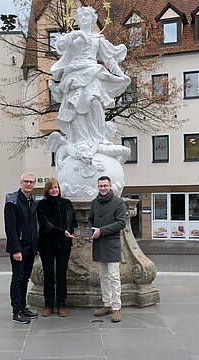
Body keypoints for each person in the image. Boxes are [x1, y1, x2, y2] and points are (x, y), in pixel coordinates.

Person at [48, 6, 130, 146]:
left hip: (93, 72)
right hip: (74, 74)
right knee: (75, 106)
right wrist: (75, 35)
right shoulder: (73, 37)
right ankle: (81, 139)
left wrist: (121, 75)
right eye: (81, 16)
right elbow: (60, 46)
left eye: (86, 15)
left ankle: (99, 137)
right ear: (77, 20)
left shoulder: (98, 38)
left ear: (93, 19)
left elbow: (109, 59)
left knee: (95, 102)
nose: (83, 18)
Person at [37, 178, 77, 317]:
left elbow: (73, 221)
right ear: (47, 190)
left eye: (56, 187)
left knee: (61, 275)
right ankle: (48, 305)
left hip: (64, 245)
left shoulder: (67, 203)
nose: (54, 190)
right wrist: (62, 231)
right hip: (46, 245)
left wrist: (73, 232)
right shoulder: (42, 204)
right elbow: (45, 224)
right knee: (48, 275)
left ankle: (61, 304)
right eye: (51, 188)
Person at [88, 176, 127, 322]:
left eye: (105, 185)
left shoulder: (118, 202)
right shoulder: (94, 203)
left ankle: (116, 308)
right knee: (103, 277)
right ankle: (107, 304)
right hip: (98, 244)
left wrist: (101, 231)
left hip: (111, 244)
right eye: (100, 186)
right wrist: (90, 231)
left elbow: (121, 223)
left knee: (114, 277)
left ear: (110, 186)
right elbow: (91, 219)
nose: (103, 188)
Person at [4, 172, 39, 324]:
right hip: (19, 248)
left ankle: (23, 307)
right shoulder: (12, 201)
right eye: (26, 181)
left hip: (30, 248)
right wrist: (15, 250)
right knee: (17, 279)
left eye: (31, 182)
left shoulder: (32, 201)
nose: (29, 184)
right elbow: (10, 229)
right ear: (21, 182)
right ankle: (16, 311)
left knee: (25, 279)